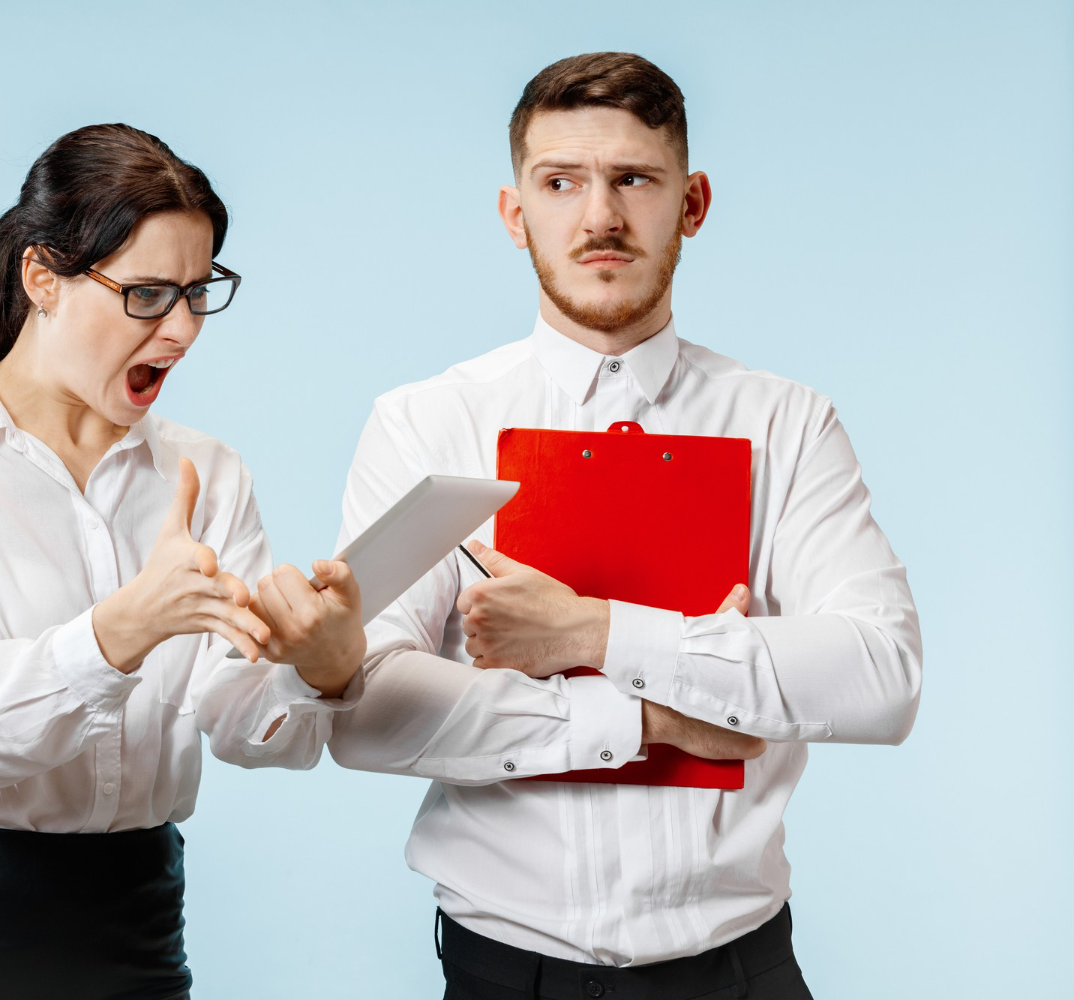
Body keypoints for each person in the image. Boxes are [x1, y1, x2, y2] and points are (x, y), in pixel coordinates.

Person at [309, 53, 922, 999]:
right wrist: (660, 716)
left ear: (693, 203)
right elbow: (366, 709)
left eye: (634, 179)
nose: (600, 216)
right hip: (502, 971)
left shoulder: (786, 423)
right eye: (563, 183)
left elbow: (881, 678)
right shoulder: (426, 423)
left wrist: (594, 633)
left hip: (740, 969)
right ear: (517, 215)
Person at [0, 123, 364, 1000]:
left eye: (199, 292)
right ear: (43, 278)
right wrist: (122, 630)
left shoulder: (206, 471)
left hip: (137, 926)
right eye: (148, 294)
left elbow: (238, 720)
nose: (183, 329)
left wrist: (321, 671)